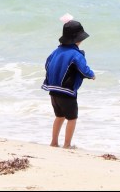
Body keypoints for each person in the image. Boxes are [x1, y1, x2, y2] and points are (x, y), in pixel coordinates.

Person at [41, 18, 95, 149]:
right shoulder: (76, 54)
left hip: (53, 92)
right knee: (72, 118)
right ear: (78, 39)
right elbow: (84, 69)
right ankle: (67, 145)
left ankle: (54, 142)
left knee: (59, 116)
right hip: (67, 92)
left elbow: (47, 65)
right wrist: (91, 75)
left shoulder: (55, 52)